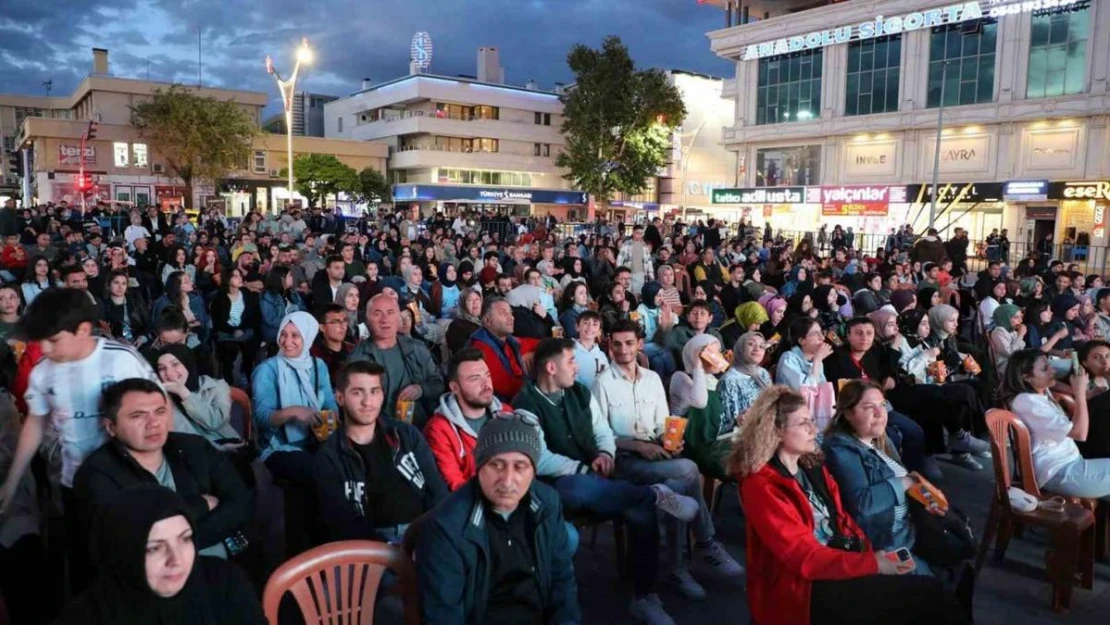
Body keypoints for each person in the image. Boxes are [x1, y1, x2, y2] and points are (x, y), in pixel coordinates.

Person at [730, 386, 969, 625]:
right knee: (932, 598)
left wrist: (869, 554)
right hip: (801, 588)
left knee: (948, 586)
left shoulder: (811, 465)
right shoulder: (761, 484)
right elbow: (804, 558)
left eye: (812, 420)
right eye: (804, 424)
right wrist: (873, 563)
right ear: (777, 431)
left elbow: (841, 519)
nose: (814, 429)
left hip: (839, 559)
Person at [513, 338, 698, 625]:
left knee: (639, 511)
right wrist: (583, 468)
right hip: (555, 486)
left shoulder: (580, 392)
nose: (577, 368)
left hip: (600, 479)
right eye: (571, 361)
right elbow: (539, 458)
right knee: (574, 487)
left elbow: (602, 431)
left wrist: (604, 453)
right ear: (551, 367)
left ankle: (643, 596)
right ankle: (653, 494)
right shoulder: (525, 403)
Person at [0, 288, 159, 589]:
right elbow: (36, 421)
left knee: (130, 561)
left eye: (54, 340)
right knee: (86, 566)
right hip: (75, 483)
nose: (45, 349)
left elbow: (158, 414)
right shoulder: (44, 372)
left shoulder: (121, 361)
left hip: (127, 481)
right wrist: (12, 480)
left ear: (83, 330)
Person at [594, 321, 743, 599]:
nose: (623, 350)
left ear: (640, 344)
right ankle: (706, 542)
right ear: (609, 346)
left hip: (656, 455)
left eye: (629, 343)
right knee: (688, 469)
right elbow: (600, 437)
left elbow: (664, 425)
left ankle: (678, 568)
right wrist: (638, 446)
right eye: (616, 344)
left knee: (678, 486)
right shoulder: (602, 383)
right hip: (625, 459)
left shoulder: (652, 379)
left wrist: (670, 441)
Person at [415, 415, 581, 625]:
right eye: (497, 465)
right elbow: (444, 615)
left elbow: (562, 583)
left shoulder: (547, 504)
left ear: (533, 472)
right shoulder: (446, 526)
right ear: (479, 466)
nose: (508, 481)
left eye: (520, 466)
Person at [71, 379, 251, 559]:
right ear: (111, 427)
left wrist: (175, 539)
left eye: (160, 412)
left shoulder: (193, 448)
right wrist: (201, 505)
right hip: (147, 580)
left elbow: (239, 502)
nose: (153, 423)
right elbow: (128, 540)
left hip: (218, 569)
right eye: (137, 415)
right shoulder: (97, 474)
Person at [54, 485, 266, 625]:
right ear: (121, 552)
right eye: (154, 548)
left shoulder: (223, 581)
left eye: (185, 539)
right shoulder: (86, 617)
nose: (177, 560)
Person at [313, 361, 446, 543]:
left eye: (374, 391)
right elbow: (342, 525)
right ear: (340, 397)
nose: (368, 402)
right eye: (357, 392)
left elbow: (437, 491)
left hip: (425, 532)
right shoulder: (330, 457)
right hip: (372, 547)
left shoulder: (405, 435)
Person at [822, 380, 932, 574]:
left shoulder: (879, 440)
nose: (880, 413)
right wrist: (905, 482)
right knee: (934, 586)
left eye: (882, 405)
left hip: (910, 528)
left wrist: (926, 497)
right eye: (868, 407)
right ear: (847, 414)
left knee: (957, 545)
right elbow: (862, 503)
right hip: (887, 541)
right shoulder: (840, 448)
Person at [1000, 349, 1110, 499]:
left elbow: (1054, 384)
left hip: (1069, 463)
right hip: (1057, 472)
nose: (1053, 371)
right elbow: (1080, 434)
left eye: (1050, 365)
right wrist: (1079, 393)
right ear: (1027, 377)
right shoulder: (1027, 402)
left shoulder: (1039, 392)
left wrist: (1084, 394)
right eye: (1045, 369)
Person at [424, 349, 514, 491]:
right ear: (455, 388)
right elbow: (454, 484)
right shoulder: (438, 429)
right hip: (474, 502)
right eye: (475, 379)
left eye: (487, 375)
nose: (486, 384)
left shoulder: (506, 413)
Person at [348, 294, 444, 428]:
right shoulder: (357, 357)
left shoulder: (417, 349)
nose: (384, 319)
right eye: (377, 314)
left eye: (390, 312)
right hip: (377, 430)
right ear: (367, 320)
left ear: (398, 316)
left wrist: (421, 389)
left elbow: (438, 384)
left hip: (420, 428)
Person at [151, 345, 242, 447]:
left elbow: (216, 422)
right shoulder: (160, 399)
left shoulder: (216, 386)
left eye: (175, 364)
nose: (169, 373)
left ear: (188, 363)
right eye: (162, 368)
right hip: (191, 454)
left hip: (226, 445)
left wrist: (184, 393)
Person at [469, 296, 540, 403]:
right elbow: (506, 386)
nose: (511, 317)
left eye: (510, 312)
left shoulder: (508, 340)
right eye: (503, 313)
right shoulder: (481, 347)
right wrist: (540, 384)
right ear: (488, 321)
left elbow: (533, 343)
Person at [210, 268, 261, 387]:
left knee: (251, 346)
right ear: (228, 279)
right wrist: (233, 331)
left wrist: (242, 329)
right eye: (235, 276)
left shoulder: (246, 293)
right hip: (226, 331)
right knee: (229, 350)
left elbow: (251, 316)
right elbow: (218, 321)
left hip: (243, 330)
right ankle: (229, 381)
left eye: (239, 276)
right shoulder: (220, 297)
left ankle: (246, 376)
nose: (239, 278)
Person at [571, 310, 609, 388]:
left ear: (599, 332)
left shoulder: (601, 356)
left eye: (595, 324)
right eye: (586, 323)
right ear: (577, 327)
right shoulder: (569, 351)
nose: (590, 327)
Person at [988, 304, 1026, 374]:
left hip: (1013, 362)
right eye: (1016, 317)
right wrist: (1020, 335)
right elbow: (1010, 353)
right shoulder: (998, 332)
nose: (1020, 320)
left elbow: (1021, 347)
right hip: (1005, 366)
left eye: (1021, 317)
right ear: (1005, 318)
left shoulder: (1011, 331)